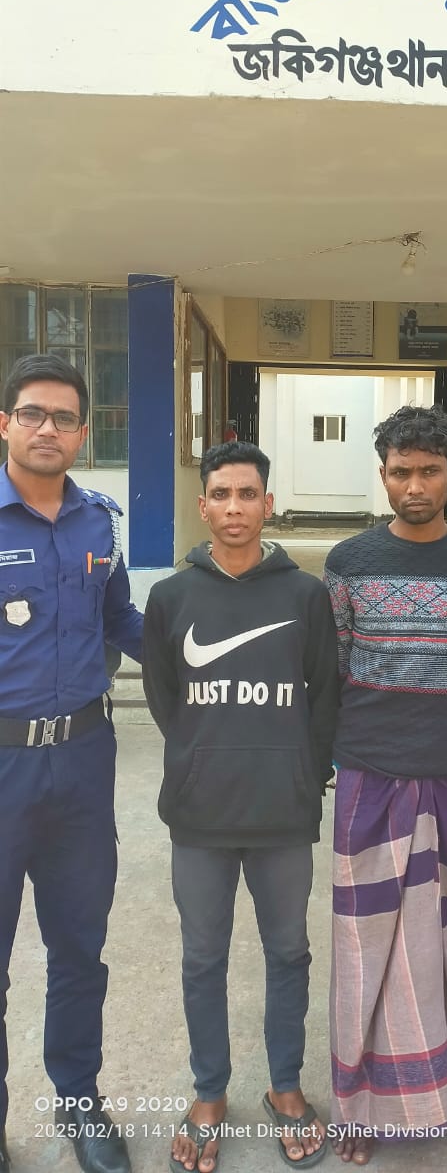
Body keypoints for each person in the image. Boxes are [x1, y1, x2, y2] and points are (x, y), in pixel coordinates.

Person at [323, 404, 447, 1166]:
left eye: (429, 472)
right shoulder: (348, 562)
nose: (414, 486)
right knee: (362, 946)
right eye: (401, 472)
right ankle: (358, 1101)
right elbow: (340, 661)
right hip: (368, 775)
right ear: (383, 475)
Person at [142, 441, 338, 1173]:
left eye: (247, 494)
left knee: (289, 953)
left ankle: (285, 1085)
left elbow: (326, 698)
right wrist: (204, 760)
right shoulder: (170, 599)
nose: (234, 507)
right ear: (204, 506)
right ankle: (210, 1093)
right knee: (203, 958)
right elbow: (167, 700)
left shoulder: (304, 596)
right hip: (200, 815)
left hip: (283, 813)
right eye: (221, 494)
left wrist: (301, 773)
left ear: (268, 504)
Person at [0, 353, 144, 1173]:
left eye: (63, 417)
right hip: (1, 767)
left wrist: (203, 657)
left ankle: (80, 1100)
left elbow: (122, 620)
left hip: (84, 762)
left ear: (83, 433)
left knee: (79, 949)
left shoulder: (101, 524)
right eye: (32, 413)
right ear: (6, 424)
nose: (47, 428)